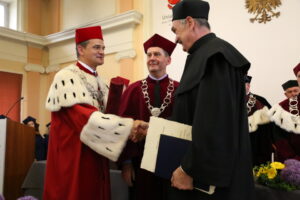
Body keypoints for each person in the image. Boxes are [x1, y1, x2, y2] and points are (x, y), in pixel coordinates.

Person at [156, 0, 254, 199]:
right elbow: (194, 113)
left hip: (207, 181)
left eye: (176, 30)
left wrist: (188, 168)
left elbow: (215, 123)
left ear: (190, 22)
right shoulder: (204, 53)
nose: (175, 39)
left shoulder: (214, 57)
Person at [43, 26, 147, 200]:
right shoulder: (66, 76)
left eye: (103, 48)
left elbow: (111, 115)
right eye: (97, 47)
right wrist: (130, 127)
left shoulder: (101, 82)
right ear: (80, 49)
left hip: (96, 155)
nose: (102, 52)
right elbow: (83, 117)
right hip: (74, 157)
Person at [117, 33, 179, 200]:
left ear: (168, 60)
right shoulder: (133, 90)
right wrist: (126, 164)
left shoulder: (180, 90)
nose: (152, 58)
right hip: (140, 163)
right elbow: (122, 127)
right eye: (149, 54)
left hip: (172, 162)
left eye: (157, 54)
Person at [244, 75, 273, 166]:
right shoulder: (229, 100)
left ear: (248, 86)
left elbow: (271, 123)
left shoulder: (260, 100)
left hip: (257, 143)